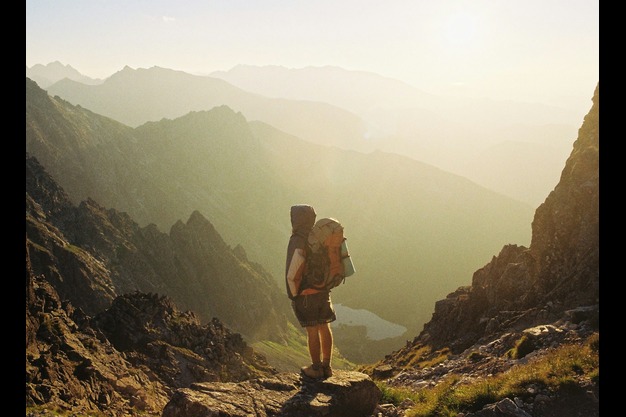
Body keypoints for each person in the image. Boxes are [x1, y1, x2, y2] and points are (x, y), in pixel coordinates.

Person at [285, 204, 336, 379]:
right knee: (325, 326)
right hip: (323, 291)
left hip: (306, 295)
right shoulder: (319, 237)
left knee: (312, 331)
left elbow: (293, 271)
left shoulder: (298, 240)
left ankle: (315, 369)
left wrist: (293, 294)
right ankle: (327, 366)